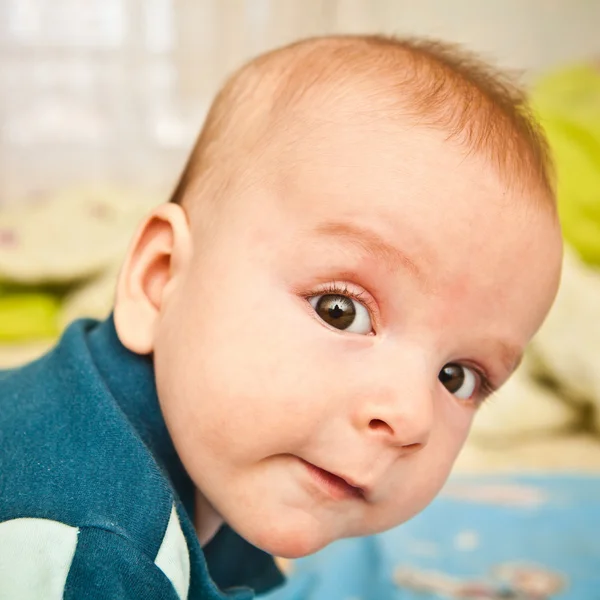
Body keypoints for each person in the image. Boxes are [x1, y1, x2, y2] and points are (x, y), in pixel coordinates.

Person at [0, 35, 563, 599]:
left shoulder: (219, 452)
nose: (411, 417)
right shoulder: (91, 548)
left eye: (457, 376)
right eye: (340, 312)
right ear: (161, 278)